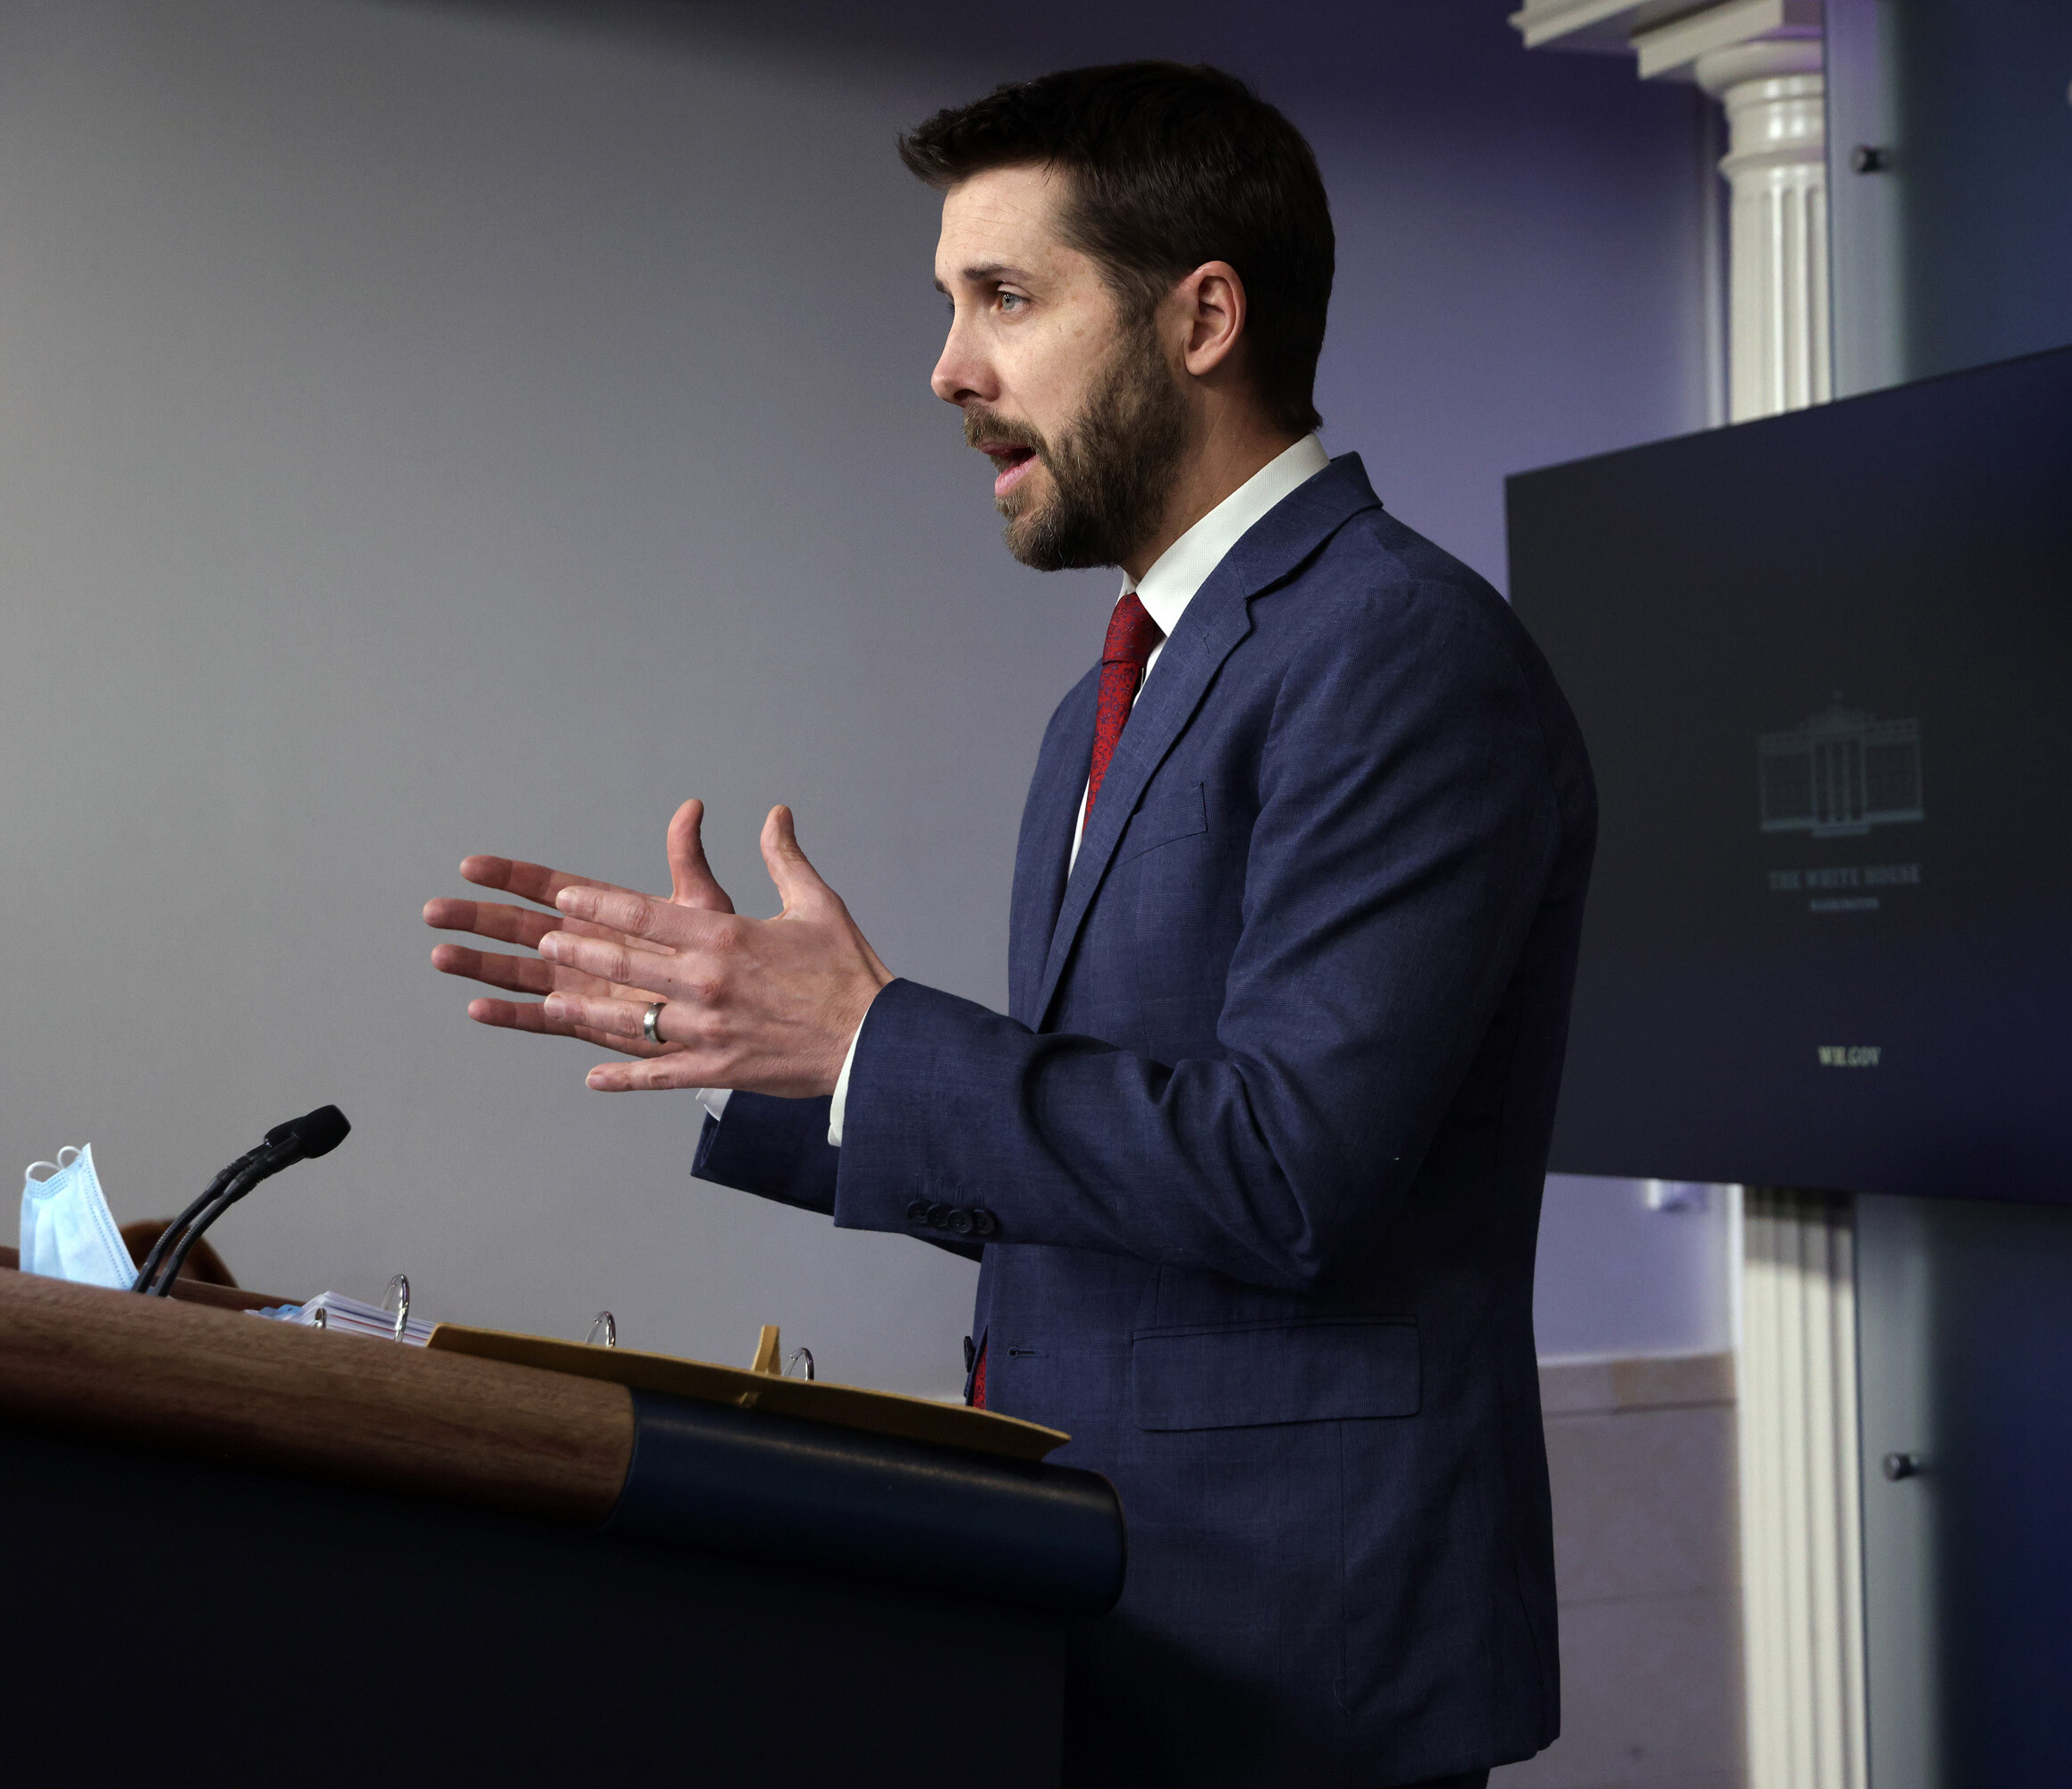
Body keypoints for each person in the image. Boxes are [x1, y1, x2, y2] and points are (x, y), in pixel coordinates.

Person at [425, 62, 1595, 1789]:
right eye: (951, 303)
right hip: (1106, 1598)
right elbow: (1117, 1181)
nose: (950, 368)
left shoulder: (1402, 654)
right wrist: (785, 1060)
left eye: (1009, 297)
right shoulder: (1105, 702)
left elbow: (1289, 1175)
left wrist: (872, 1042)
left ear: (1203, 316)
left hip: (1303, 1653)